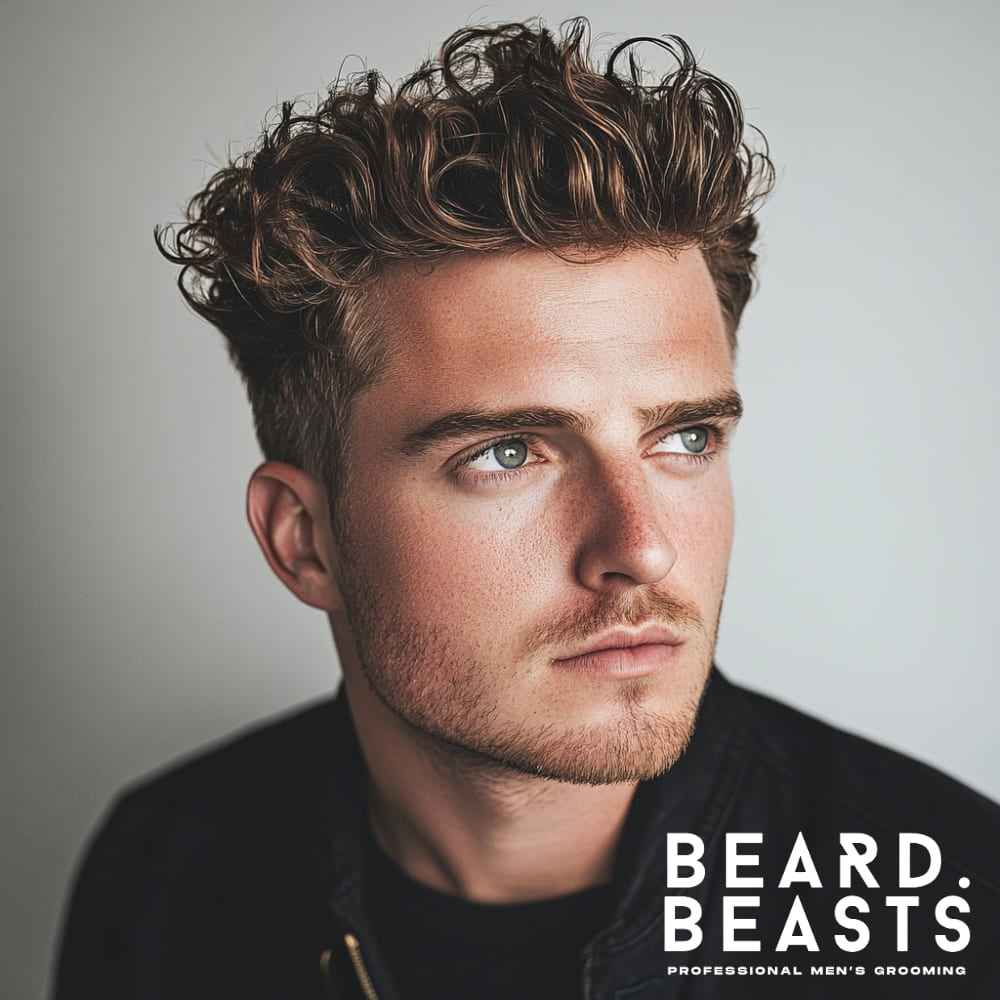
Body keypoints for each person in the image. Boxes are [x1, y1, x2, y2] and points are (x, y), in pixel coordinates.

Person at [53, 18, 1000, 1000]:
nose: (640, 550)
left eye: (683, 439)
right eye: (506, 453)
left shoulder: (949, 912)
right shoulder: (166, 870)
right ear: (306, 541)